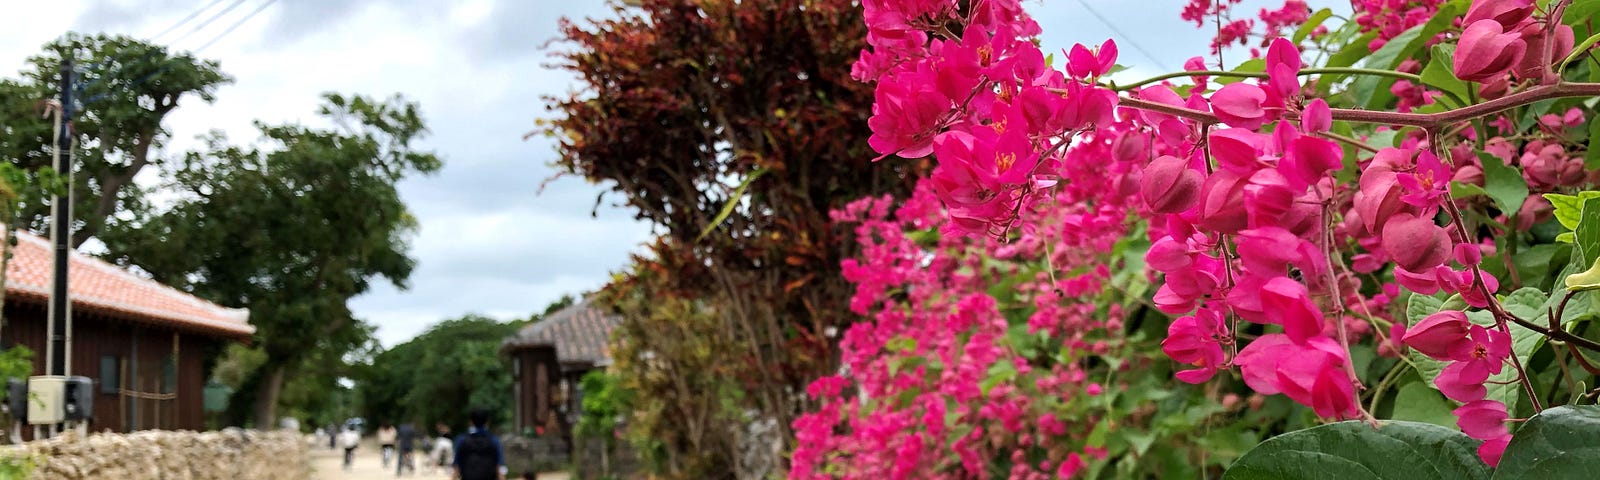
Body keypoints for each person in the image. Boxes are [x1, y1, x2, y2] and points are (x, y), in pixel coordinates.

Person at [453, 410, 506, 480]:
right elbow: (500, 466)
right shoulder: (494, 440)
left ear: (470, 422)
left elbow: (457, 465)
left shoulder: (461, 440)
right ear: (487, 422)